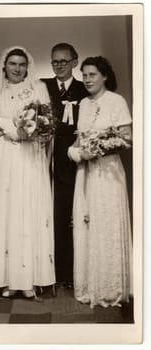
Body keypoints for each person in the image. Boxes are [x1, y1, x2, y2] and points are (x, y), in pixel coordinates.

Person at [0, 46, 55, 298]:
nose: (17, 69)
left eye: (21, 64)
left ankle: (28, 279)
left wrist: (33, 129)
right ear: (5, 66)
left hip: (30, 155)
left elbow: (47, 120)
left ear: (27, 66)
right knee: (5, 211)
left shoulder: (38, 88)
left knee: (27, 209)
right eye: (12, 64)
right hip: (6, 154)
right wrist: (11, 128)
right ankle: (5, 277)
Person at [68, 56, 133, 308]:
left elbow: (126, 139)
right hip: (86, 175)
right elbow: (76, 144)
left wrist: (98, 149)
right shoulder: (83, 104)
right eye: (84, 75)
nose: (87, 79)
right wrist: (76, 154)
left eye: (92, 74)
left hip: (108, 174)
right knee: (87, 225)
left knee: (107, 223)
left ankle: (112, 287)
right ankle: (90, 285)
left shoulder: (116, 101)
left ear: (105, 76)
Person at [41, 43, 88, 288]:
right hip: (41, 163)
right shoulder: (42, 87)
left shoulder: (84, 89)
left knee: (66, 217)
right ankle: (46, 273)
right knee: (45, 217)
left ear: (74, 62)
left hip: (68, 165)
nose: (59, 65)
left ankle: (67, 274)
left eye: (63, 61)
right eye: (54, 61)